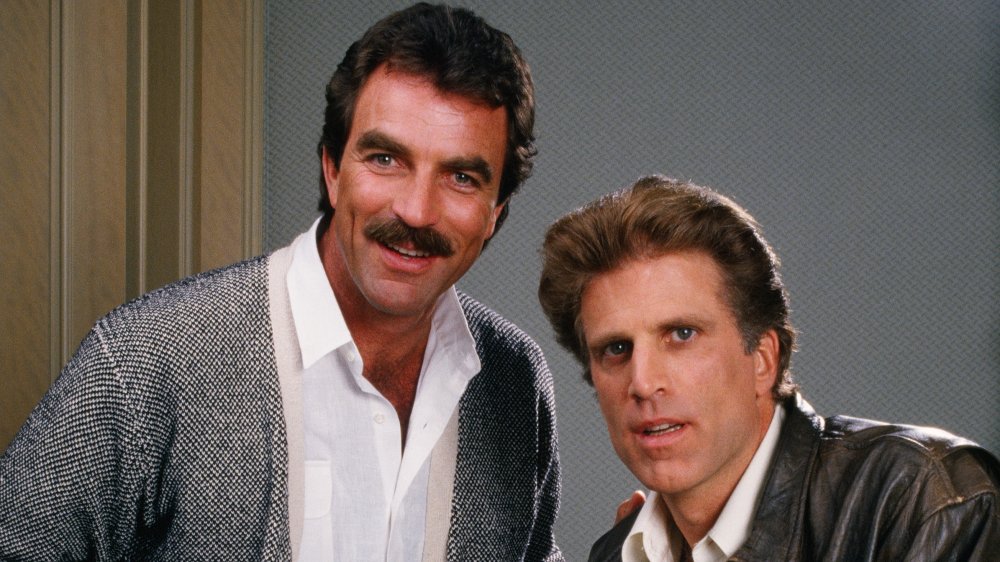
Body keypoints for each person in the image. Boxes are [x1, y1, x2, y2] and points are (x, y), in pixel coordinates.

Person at [0, 4, 562, 560]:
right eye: (385, 159)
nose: (416, 211)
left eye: (461, 177)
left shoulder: (515, 383)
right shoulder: (145, 359)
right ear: (332, 169)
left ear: (495, 212)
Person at [538, 175, 999, 561]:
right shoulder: (617, 554)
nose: (642, 382)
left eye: (682, 334)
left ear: (763, 359)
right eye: (616, 348)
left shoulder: (923, 500)